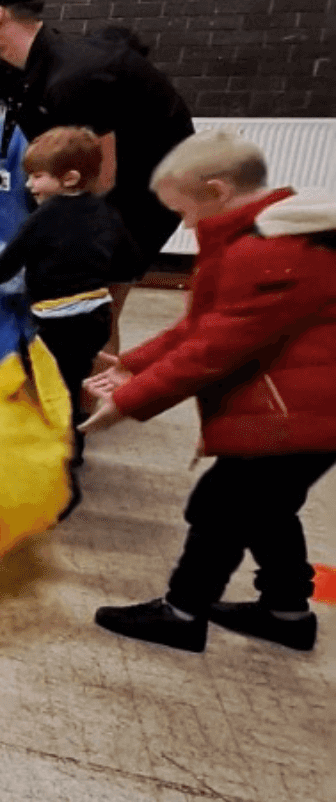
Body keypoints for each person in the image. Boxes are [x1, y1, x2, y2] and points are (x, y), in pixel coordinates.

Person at [81, 130, 336, 653]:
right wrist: (130, 365)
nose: (185, 225)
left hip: (294, 415)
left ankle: (182, 613)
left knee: (219, 507)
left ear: (218, 191)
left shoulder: (268, 250)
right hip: (301, 412)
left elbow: (215, 348)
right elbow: (201, 327)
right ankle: (286, 612)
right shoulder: (264, 237)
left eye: (185, 211)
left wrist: (128, 401)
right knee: (267, 510)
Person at [0, 0, 194, 354]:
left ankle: (93, 385)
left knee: (94, 304)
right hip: (111, 183)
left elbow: (102, 181)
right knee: (79, 299)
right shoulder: (17, 68)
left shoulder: (75, 79)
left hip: (144, 191)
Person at [0, 126, 136, 467]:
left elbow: (13, 256)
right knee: (73, 378)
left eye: (37, 177)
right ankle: (69, 442)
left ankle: (60, 449)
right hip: (97, 316)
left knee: (51, 382)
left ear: (69, 178)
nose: (30, 185)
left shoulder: (45, 216)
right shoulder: (105, 212)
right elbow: (128, 258)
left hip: (60, 320)